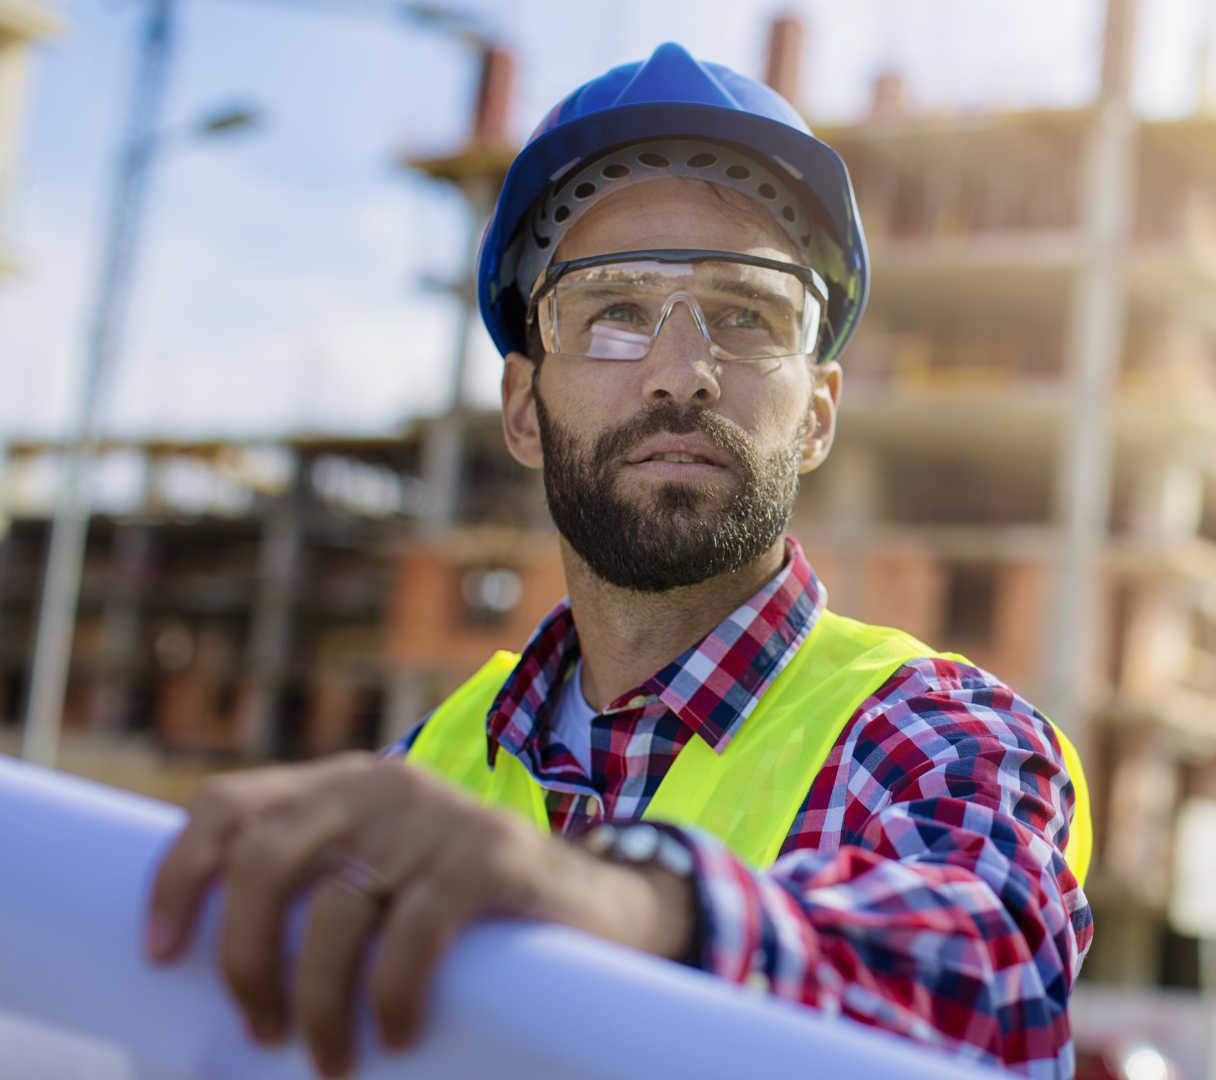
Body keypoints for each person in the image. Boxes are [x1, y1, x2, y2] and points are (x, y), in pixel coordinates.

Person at [141, 41, 1093, 1079]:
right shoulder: (426, 767)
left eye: (745, 316)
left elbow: (994, 988)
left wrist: (627, 897)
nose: (680, 375)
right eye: (615, 314)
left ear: (817, 414)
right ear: (521, 409)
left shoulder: (942, 737)